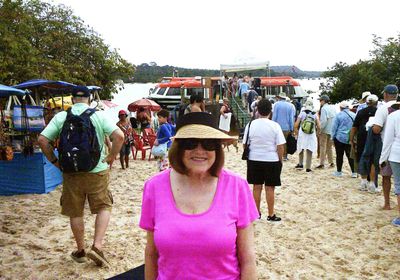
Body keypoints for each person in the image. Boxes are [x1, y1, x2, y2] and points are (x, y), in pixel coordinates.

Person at [140, 112, 258, 279]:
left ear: (217, 148)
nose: (200, 150)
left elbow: (247, 258)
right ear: (179, 147)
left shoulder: (237, 186)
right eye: (191, 143)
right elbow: (151, 255)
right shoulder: (154, 187)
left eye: (209, 143)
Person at [38, 86, 124, 266]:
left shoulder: (62, 117)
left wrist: (55, 161)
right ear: (89, 98)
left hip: (70, 172)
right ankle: (97, 246)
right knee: (103, 206)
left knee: (75, 211)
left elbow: (42, 140)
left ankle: (80, 250)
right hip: (97, 171)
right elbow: (119, 136)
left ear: (72, 99)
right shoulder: (99, 115)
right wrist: (110, 157)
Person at [243, 99, 285, 221]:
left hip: (254, 158)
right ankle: (271, 214)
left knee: (257, 187)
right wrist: (280, 160)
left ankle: (256, 213)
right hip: (271, 159)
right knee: (270, 187)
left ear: (257, 110)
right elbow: (280, 146)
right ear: (270, 111)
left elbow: (245, 144)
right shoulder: (275, 126)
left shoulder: (250, 125)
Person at [372, 84, 399, 210]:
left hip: (388, 147)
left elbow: (377, 129)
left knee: (386, 176)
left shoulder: (383, 109)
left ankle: (387, 203)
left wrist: (371, 126)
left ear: (385, 95)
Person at [350, 95, 379, 192]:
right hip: (374, 138)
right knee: (372, 160)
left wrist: (351, 140)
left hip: (362, 137)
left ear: (366, 102)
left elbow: (354, 127)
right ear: (376, 102)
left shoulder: (361, 112)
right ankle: (371, 183)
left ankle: (363, 182)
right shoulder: (379, 112)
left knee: (362, 157)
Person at [379, 104, 400, 226]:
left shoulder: (394, 116)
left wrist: (383, 159)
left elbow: (388, 140)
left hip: (397, 154)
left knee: (399, 185)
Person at [331, 101, 356, 177]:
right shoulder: (354, 115)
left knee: (339, 155)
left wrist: (332, 137)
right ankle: (354, 172)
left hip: (339, 137)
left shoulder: (338, 115)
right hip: (350, 138)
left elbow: (334, 127)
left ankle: (339, 171)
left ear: (341, 108)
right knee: (350, 155)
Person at [294, 103, 320, 172]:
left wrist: (296, 132)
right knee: (309, 149)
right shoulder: (315, 114)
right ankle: (308, 167)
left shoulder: (302, 113)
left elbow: (296, 125)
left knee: (301, 148)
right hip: (311, 134)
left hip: (302, 133)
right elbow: (319, 126)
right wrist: (317, 133)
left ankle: (300, 164)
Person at [272, 92, 295, 160]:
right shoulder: (290, 105)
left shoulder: (276, 105)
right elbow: (291, 119)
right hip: (287, 127)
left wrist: (273, 125)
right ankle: (285, 156)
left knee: (277, 142)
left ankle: (278, 154)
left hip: (277, 126)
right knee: (285, 142)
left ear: (279, 97)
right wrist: (291, 128)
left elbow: (274, 116)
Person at [316, 95, 336, 169]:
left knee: (322, 147)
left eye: (320, 100)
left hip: (325, 130)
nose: (320, 102)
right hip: (331, 130)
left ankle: (322, 163)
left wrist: (320, 130)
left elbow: (323, 121)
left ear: (323, 101)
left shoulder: (324, 109)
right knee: (329, 147)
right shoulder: (332, 108)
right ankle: (331, 162)